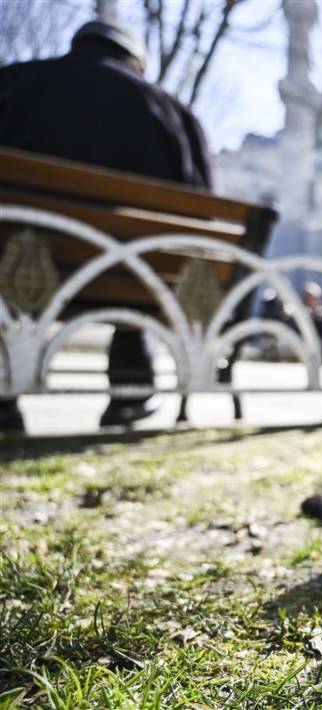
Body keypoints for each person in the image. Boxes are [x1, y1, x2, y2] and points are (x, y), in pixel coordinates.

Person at [0, 20, 214, 431]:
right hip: (132, 279)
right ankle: (131, 389)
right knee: (140, 262)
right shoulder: (172, 113)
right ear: (135, 60)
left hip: (15, 269)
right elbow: (201, 216)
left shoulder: (15, 83)